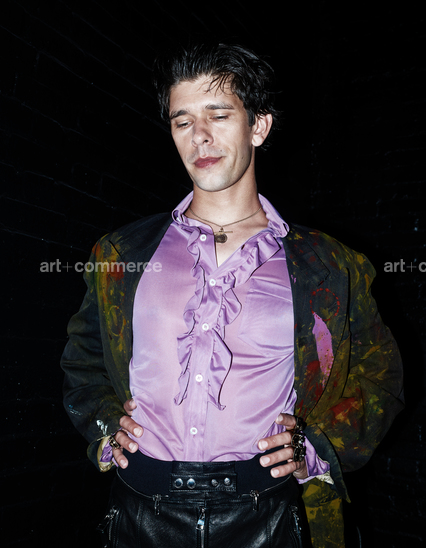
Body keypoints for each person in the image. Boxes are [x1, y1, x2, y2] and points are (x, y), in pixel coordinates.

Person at [61, 43, 404, 547]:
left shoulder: (329, 266)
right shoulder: (121, 254)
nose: (199, 135)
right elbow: (84, 358)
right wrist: (105, 425)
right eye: (182, 121)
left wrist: (318, 446)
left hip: (267, 515)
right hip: (139, 511)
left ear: (258, 126)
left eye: (218, 116)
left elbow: (381, 376)